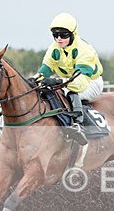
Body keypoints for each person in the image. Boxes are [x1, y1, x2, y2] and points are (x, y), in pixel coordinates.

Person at [31, 12, 104, 145]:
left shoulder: (84, 50)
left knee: (70, 93)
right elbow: (45, 70)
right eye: (55, 35)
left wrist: (59, 82)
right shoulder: (54, 48)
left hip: (90, 82)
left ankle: (78, 125)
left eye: (63, 35)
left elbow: (80, 83)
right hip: (69, 81)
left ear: (72, 34)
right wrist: (33, 81)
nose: (58, 39)